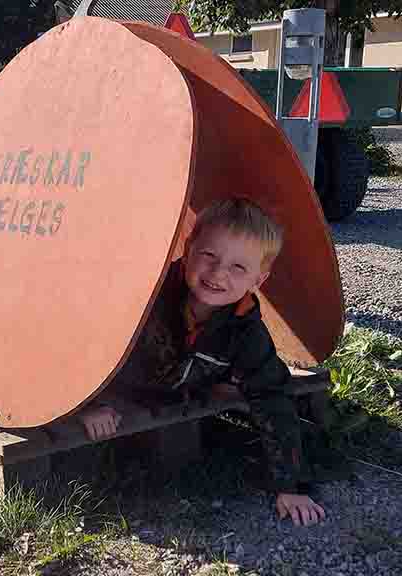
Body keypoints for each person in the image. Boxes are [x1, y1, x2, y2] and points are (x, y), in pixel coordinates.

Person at [76, 197, 327, 527]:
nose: (218, 273)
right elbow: (84, 343)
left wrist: (289, 486)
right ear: (188, 248)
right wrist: (91, 403)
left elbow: (272, 398)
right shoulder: (145, 294)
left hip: (174, 387)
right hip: (119, 388)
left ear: (258, 280)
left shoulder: (245, 328)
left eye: (239, 267)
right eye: (209, 255)